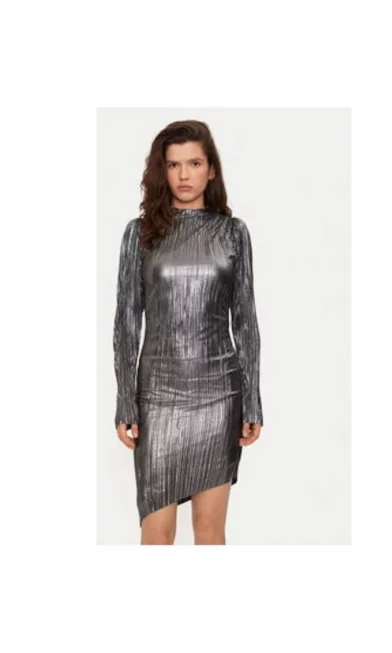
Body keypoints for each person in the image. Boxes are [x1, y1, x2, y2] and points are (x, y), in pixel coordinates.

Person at [113, 119, 263, 545]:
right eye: (173, 164)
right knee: (156, 533)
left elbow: (245, 321)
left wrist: (251, 399)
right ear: (161, 171)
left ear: (211, 170)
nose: (183, 175)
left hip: (219, 393)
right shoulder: (140, 233)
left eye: (194, 163)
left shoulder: (233, 233)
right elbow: (127, 322)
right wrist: (125, 399)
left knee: (210, 531)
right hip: (158, 395)